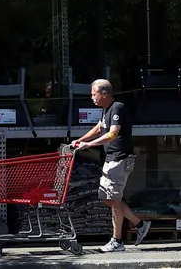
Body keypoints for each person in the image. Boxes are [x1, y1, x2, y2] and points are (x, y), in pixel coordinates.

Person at [70, 79, 151, 252]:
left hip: (119, 159)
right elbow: (100, 128)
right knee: (108, 199)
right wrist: (81, 140)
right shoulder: (106, 110)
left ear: (104, 93)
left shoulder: (117, 108)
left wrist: (90, 145)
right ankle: (140, 223)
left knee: (114, 200)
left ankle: (117, 241)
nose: (92, 98)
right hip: (111, 159)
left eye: (94, 94)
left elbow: (113, 134)